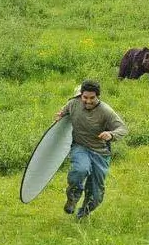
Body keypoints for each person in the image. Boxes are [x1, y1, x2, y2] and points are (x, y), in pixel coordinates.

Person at [53, 80, 128, 219]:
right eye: (85, 97)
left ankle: (83, 215)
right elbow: (63, 114)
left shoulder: (106, 111)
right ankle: (72, 198)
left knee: (96, 194)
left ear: (97, 96)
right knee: (80, 170)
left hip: (100, 153)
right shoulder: (73, 104)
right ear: (81, 95)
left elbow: (123, 129)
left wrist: (111, 134)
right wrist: (60, 117)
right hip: (80, 146)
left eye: (92, 98)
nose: (88, 101)